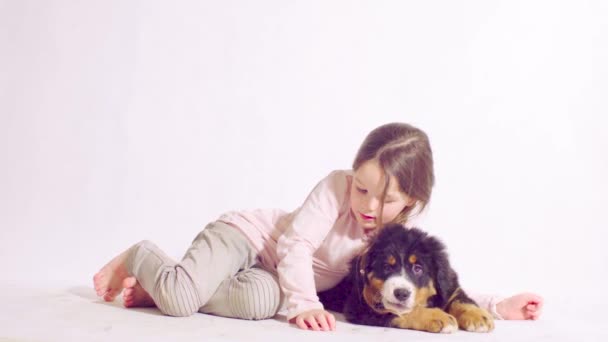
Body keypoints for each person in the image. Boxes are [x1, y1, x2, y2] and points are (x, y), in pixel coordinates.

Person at [93, 122, 543, 331]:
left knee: (255, 304)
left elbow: (436, 281)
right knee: (179, 301)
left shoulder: (393, 240)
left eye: (384, 199)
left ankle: (174, 285)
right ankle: (141, 256)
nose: (367, 205)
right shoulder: (333, 188)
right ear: (352, 173)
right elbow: (295, 243)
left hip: (271, 278)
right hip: (247, 238)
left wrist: (499, 304)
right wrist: (305, 303)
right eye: (361, 188)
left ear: (410, 201)